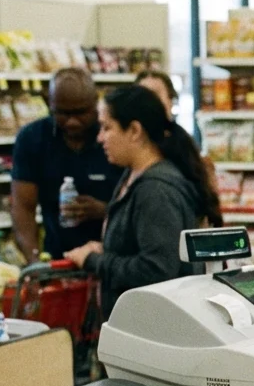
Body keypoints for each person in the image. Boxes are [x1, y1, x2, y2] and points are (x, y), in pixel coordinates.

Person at [62, 86, 221, 317]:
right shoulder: (133, 175)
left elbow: (156, 270)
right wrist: (108, 249)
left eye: (107, 127)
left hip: (154, 330)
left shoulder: (156, 190)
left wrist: (95, 260)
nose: (100, 138)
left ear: (135, 130)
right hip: (136, 325)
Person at [10, 68, 124, 262]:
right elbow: (23, 206)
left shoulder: (114, 136)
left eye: (81, 113)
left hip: (113, 257)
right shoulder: (32, 138)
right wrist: (34, 259)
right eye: (62, 113)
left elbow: (141, 205)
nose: (72, 122)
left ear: (95, 102)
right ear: (49, 103)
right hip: (57, 256)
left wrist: (105, 210)